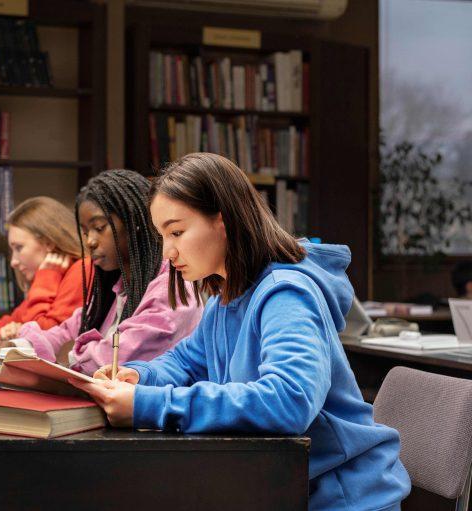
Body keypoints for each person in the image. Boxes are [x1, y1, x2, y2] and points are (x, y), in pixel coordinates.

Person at [71, 153, 411, 510]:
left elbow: (288, 400)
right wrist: (139, 377)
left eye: (177, 232)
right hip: (278, 484)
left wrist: (149, 406)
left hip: (340, 497)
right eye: (162, 236)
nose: (168, 251)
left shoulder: (286, 293)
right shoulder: (223, 297)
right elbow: (187, 361)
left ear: (223, 221)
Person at [0, 169, 202, 375]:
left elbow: (112, 359)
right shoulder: (117, 288)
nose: (90, 242)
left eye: (99, 228)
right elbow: (66, 331)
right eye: (85, 232)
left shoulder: (172, 289)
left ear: (134, 223)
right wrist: (14, 348)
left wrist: (61, 358)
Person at [0, 196, 90, 340]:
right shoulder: (57, 273)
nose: (13, 262)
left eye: (19, 247)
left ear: (48, 243)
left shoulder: (82, 269)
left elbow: (42, 337)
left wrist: (46, 277)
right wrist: (8, 330)